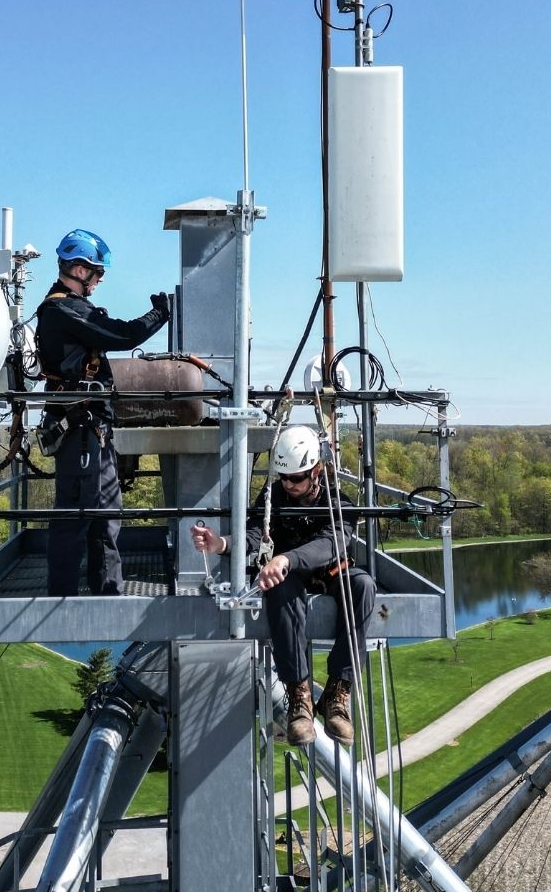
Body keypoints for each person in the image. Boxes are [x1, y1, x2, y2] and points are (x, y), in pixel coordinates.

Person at [191, 425, 376, 746]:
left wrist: (287, 558)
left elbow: (331, 543)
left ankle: (337, 693)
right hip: (287, 578)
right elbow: (254, 535)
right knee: (281, 588)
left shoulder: (337, 502)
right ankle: (299, 697)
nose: (288, 485)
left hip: (326, 571)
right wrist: (221, 543)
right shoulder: (271, 497)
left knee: (362, 585)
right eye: (284, 477)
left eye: (297, 478)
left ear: (317, 471)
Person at [35, 228, 169, 597]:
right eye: (98, 270)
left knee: (105, 519)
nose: (101, 278)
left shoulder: (70, 310)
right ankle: (63, 599)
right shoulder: (64, 310)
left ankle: (108, 593)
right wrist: (159, 315)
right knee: (74, 519)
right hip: (81, 432)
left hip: (92, 432)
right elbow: (122, 335)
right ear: (79, 269)